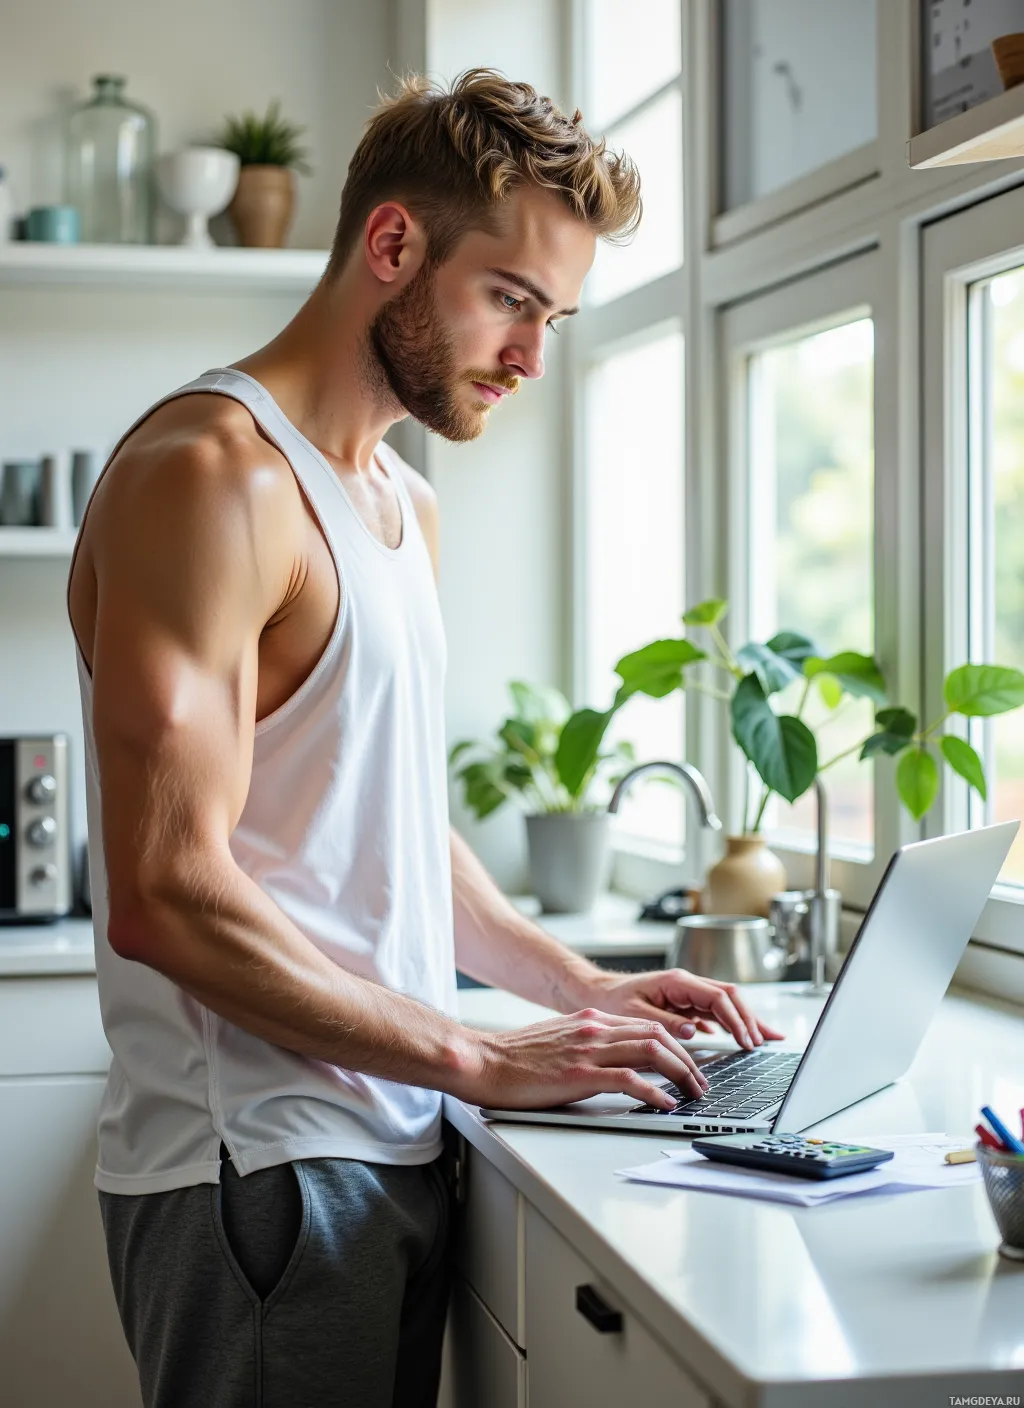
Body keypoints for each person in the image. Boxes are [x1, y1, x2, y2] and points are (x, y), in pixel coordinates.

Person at [67, 68, 783, 1408]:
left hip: (391, 1135)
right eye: (511, 301)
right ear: (393, 245)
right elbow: (163, 895)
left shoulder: (400, 504)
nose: (529, 356)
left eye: (552, 317)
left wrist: (577, 989)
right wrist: (482, 1054)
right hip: (261, 1173)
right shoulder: (210, 477)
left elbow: (382, 824)